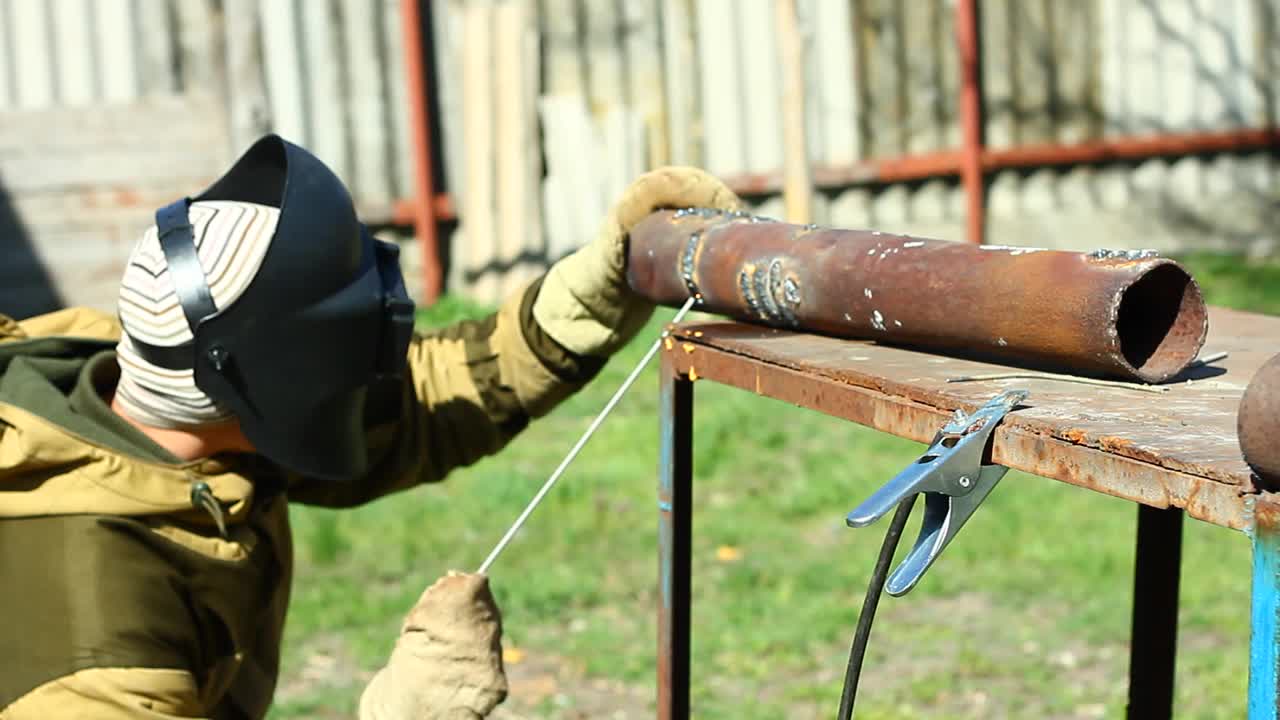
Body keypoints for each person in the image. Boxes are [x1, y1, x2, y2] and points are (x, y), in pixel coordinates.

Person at [0, 135, 740, 719]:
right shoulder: (92, 636)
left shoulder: (164, 404)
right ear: (268, 380)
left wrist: (597, 288)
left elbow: (423, 397)